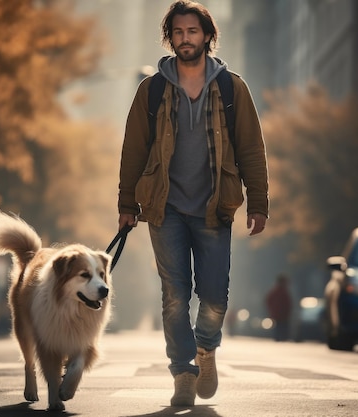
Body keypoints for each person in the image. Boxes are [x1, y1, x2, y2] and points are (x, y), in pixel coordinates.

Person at [117, 0, 269, 407]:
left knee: (216, 296)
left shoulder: (231, 87)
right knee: (174, 296)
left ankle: (206, 349)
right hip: (164, 207)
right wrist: (127, 202)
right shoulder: (151, 89)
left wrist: (259, 202)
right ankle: (183, 371)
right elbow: (133, 150)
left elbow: (251, 149)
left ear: (207, 36)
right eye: (179, 32)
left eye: (193, 32)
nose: (186, 39)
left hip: (214, 207)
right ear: (171, 38)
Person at [265, 274, 292, 342]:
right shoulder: (278, 292)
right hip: (278, 314)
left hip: (282, 315)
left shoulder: (281, 291)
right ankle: (280, 338)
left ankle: (281, 338)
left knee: (281, 328)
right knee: (279, 327)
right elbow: (268, 301)